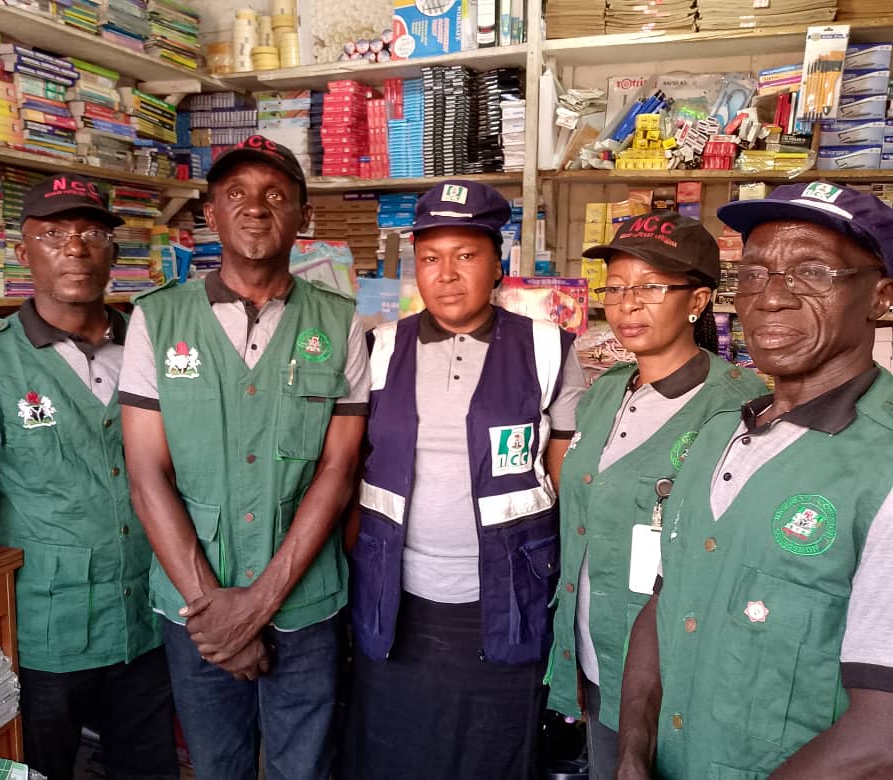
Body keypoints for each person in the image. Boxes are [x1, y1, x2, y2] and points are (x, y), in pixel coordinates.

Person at [616, 181, 893, 779]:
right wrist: (634, 750)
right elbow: (665, 603)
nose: (771, 298)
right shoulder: (718, 433)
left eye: (812, 273)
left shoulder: (883, 464)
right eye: (753, 274)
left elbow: (882, 734)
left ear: (881, 297)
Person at [118, 135, 370, 780]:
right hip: (193, 602)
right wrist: (217, 618)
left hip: (305, 601)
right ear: (210, 214)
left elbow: (338, 471)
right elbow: (147, 476)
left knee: (303, 768)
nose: (256, 208)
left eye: (276, 195)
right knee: (216, 766)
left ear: (304, 216)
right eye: (235, 193)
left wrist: (258, 604)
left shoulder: (340, 323)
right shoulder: (157, 320)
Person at [0, 174, 178, 780]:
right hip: (48, 621)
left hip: (149, 608)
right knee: (42, 764)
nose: (74, 248)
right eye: (52, 235)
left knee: (148, 764)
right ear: (24, 253)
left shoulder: (153, 344)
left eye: (92, 234)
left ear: (113, 253)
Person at [342, 180, 586, 780]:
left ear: (497, 264)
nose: (446, 274)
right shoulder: (379, 347)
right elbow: (350, 470)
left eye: (466, 255)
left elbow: (566, 484)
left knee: (492, 752)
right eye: (430, 258)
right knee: (393, 751)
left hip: (506, 597)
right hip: (395, 597)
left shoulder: (548, 349)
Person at [547, 212, 766, 780]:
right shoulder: (602, 394)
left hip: (679, 668)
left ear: (698, 301)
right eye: (617, 288)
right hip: (596, 653)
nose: (628, 305)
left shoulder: (738, 406)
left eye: (649, 287)